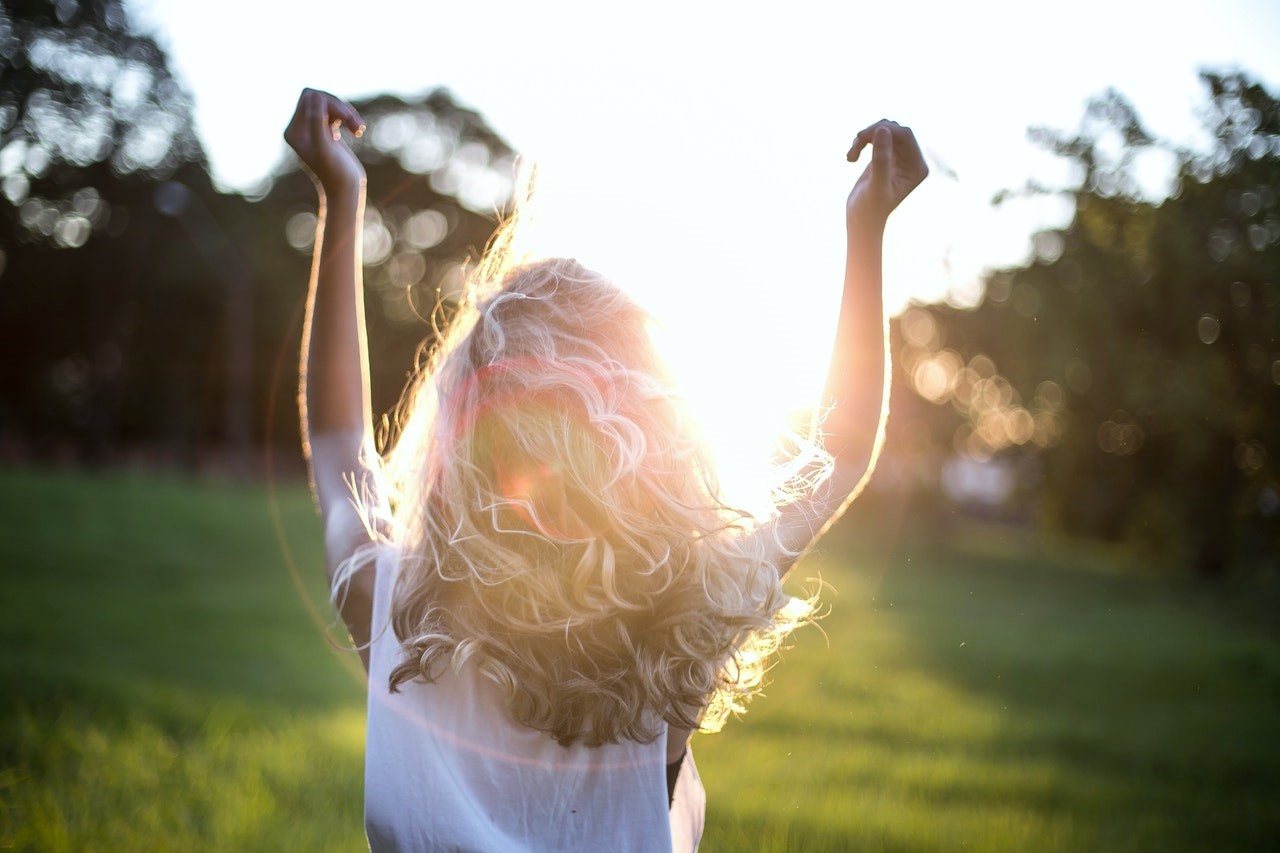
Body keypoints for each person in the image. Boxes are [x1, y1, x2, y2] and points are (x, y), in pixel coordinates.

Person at [284, 87, 926, 851]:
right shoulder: (683, 624)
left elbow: (339, 442)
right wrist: (868, 229)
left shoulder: (392, 605)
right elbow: (840, 448)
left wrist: (342, 196)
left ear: (461, 442)